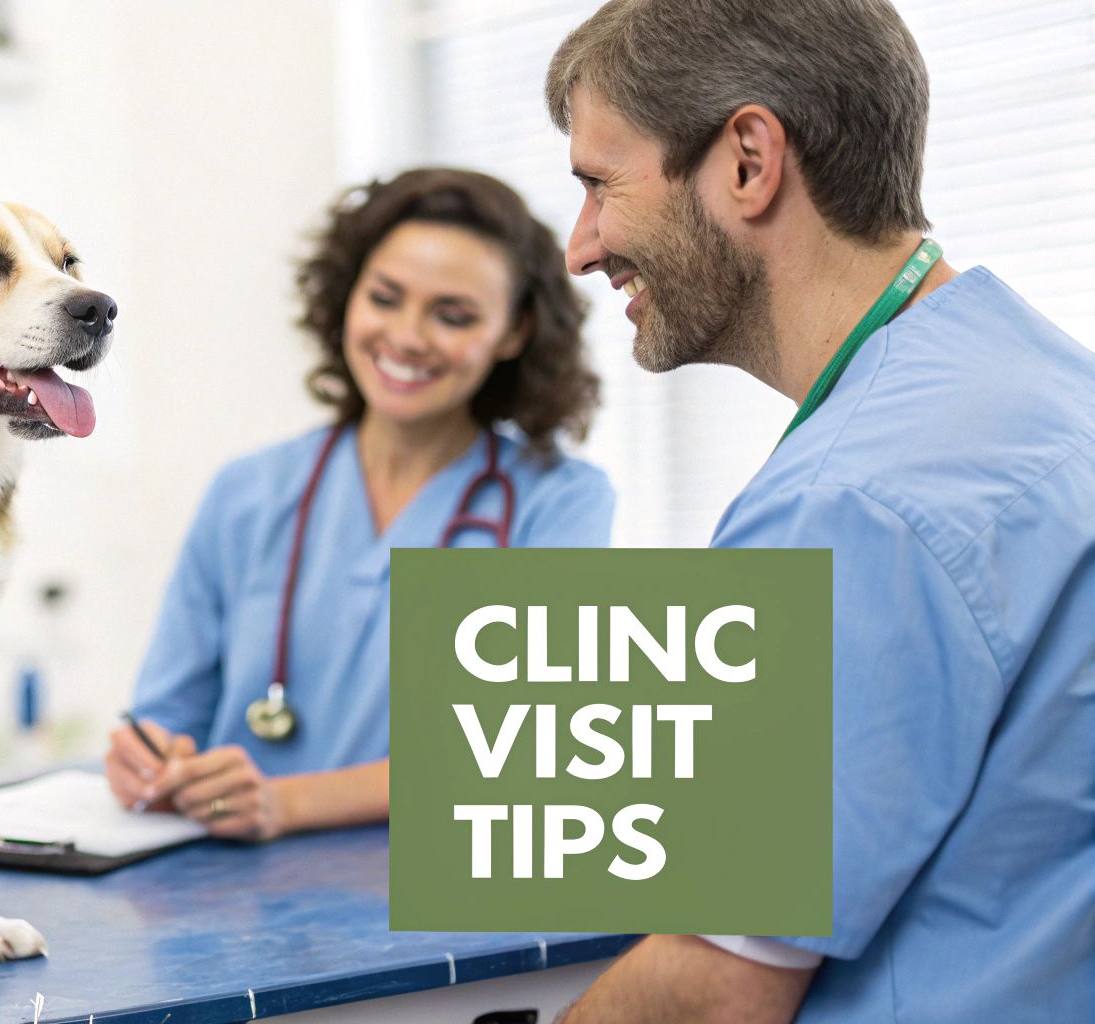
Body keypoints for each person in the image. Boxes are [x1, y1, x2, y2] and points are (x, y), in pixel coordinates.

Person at [544, 1, 1095, 1021]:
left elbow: (717, 989)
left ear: (748, 160)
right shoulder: (1052, 392)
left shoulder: (846, 505)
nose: (579, 249)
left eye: (597, 185)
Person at [105, 168, 615, 842]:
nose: (406, 336)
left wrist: (283, 804)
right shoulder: (247, 493)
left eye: (453, 314)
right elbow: (168, 715)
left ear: (514, 331)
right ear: (347, 299)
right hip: (228, 902)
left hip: (438, 903)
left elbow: (530, 752)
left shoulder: (559, 502)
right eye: (385, 297)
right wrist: (149, 760)